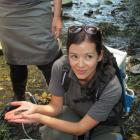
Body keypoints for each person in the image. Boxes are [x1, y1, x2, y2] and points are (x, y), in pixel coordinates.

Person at [5, 25, 123, 140]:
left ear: (99, 56)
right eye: (74, 56)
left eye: (89, 57)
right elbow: (55, 108)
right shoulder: (61, 67)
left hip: (104, 125)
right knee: (54, 135)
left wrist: (39, 118)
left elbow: (80, 128)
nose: (80, 65)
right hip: (74, 113)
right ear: (68, 55)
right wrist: (35, 108)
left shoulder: (112, 86)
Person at [0, 0, 62, 101]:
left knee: (49, 54)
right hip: (5, 12)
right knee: (14, 59)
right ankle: (18, 98)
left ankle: (61, 99)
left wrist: (57, 15)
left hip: (36, 7)